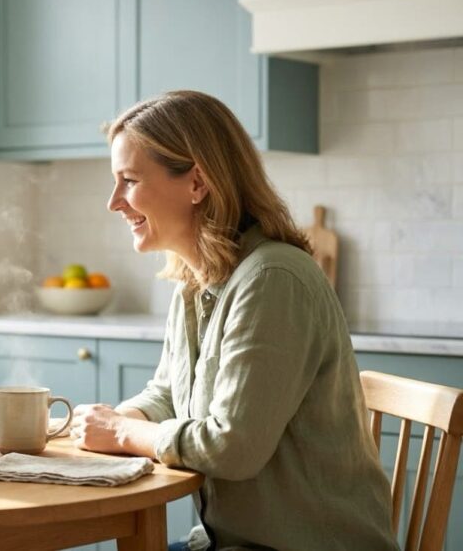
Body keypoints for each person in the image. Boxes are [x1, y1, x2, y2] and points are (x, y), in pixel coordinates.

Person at [70, 91, 398, 551]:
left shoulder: (273, 280)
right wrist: (114, 419)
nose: (114, 202)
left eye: (128, 180)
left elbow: (232, 447)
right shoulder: (195, 280)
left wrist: (125, 433)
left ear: (197, 183)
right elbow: (168, 392)